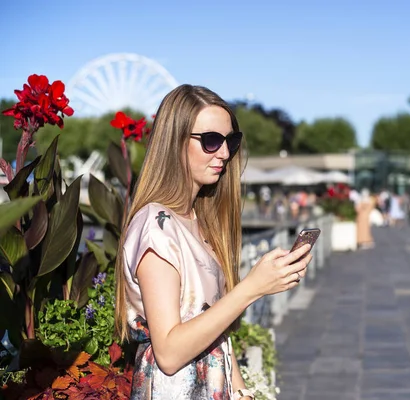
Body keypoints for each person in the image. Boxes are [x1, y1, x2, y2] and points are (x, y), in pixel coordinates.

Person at [114, 85, 312, 399]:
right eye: (210, 141)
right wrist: (252, 287)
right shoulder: (156, 225)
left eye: (230, 141)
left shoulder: (199, 221)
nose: (223, 153)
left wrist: (243, 392)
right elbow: (168, 351)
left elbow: (216, 335)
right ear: (174, 141)